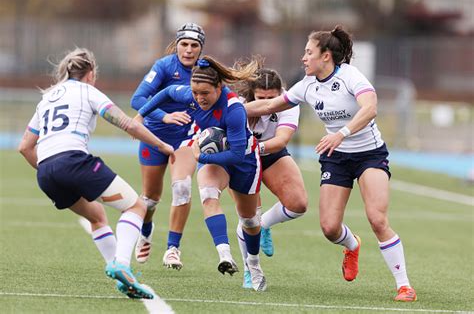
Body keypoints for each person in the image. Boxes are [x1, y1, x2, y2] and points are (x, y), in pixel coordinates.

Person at [244, 25, 417, 302]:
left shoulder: (349, 75)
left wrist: (342, 134)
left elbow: (370, 107)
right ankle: (352, 245)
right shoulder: (306, 85)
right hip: (335, 159)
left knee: (377, 218)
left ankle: (404, 286)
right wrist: (223, 109)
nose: (303, 58)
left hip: (369, 155)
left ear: (326, 56)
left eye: (308, 52)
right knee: (329, 227)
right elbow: (267, 106)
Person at [18, 48, 176, 300]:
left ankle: (126, 279)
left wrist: (52, 169)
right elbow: (128, 123)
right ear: (91, 73)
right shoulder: (88, 91)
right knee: (136, 207)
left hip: (46, 171)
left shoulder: (46, 98)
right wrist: (163, 146)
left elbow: (24, 147)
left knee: (97, 215)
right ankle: (121, 264)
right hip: (73, 160)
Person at [135, 55, 267, 292]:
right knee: (208, 194)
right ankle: (225, 255)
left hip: (244, 161)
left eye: (205, 93)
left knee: (250, 220)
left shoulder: (234, 109)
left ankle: (254, 265)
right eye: (195, 93)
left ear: (219, 87)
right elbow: (165, 94)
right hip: (214, 160)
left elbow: (236, 155)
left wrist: (201, 156)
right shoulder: (191, 95)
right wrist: (141, 114)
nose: (198, 98)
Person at [130, 23, 205, 269]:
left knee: (182, 187)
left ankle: (173, 249)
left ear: (201, 49)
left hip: (185, 139)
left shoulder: (205, 71)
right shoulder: (164, 66)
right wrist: (164, 116)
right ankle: (146, 230)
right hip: (154, 137)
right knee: (150, 199)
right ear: (177, 45)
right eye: (184, 44)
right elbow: (138, 99)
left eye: (194, 45)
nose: (189, 50)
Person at [234, 67, 308, 288]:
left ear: (280, 94)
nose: (267, 105)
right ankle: (250, 270)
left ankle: (265, 225)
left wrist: (254, 147)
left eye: (272, 99)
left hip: (270, 153)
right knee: (249, 219)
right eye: (261, 99)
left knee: (298, 204)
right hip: (241, 160)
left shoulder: (289, 101)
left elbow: (281, 140)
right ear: (251, 95)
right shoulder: (237, 104)